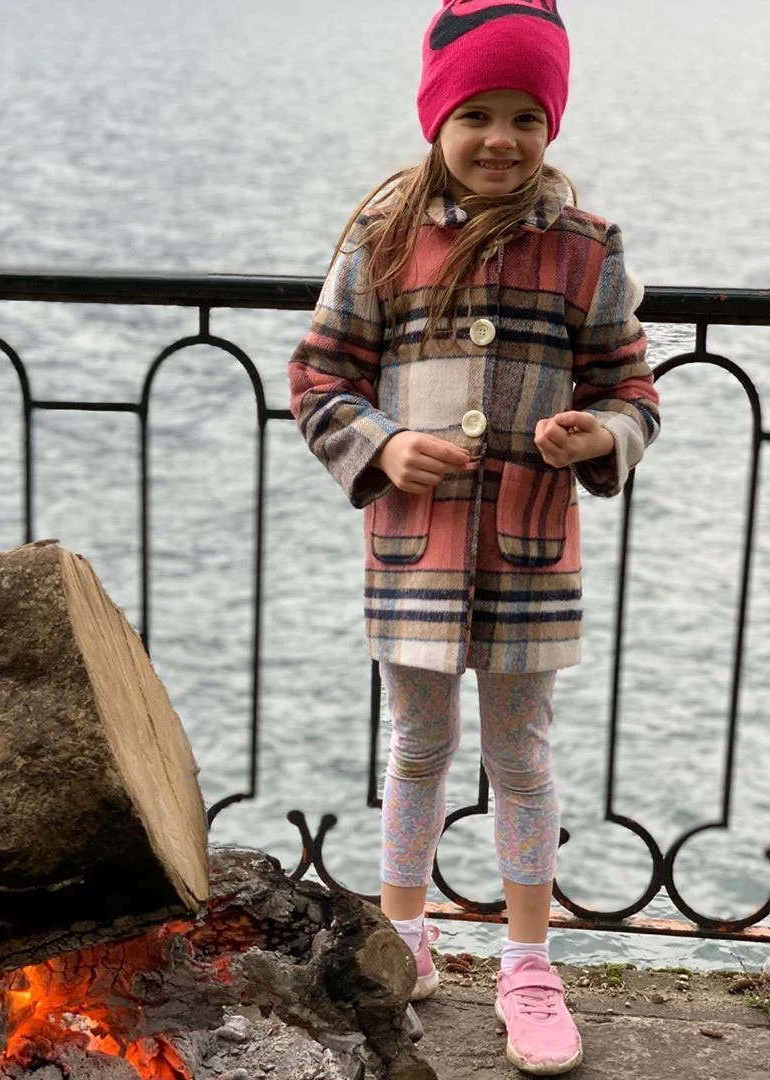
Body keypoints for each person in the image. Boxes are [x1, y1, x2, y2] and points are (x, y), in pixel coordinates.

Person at [288, 1, 660, 1074]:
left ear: (552, 125)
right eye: (477, 115)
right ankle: (403, 936)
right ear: (437, 118)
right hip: (415, 550)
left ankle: (528, 962)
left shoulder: (587, 250)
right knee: (416, 748)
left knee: (522, 756)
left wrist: (600, 434)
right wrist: (383, 445)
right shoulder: (382, 239)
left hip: (530, 550)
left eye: (525, 117)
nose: (501, 139)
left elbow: (632, 389)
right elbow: (319, 376)